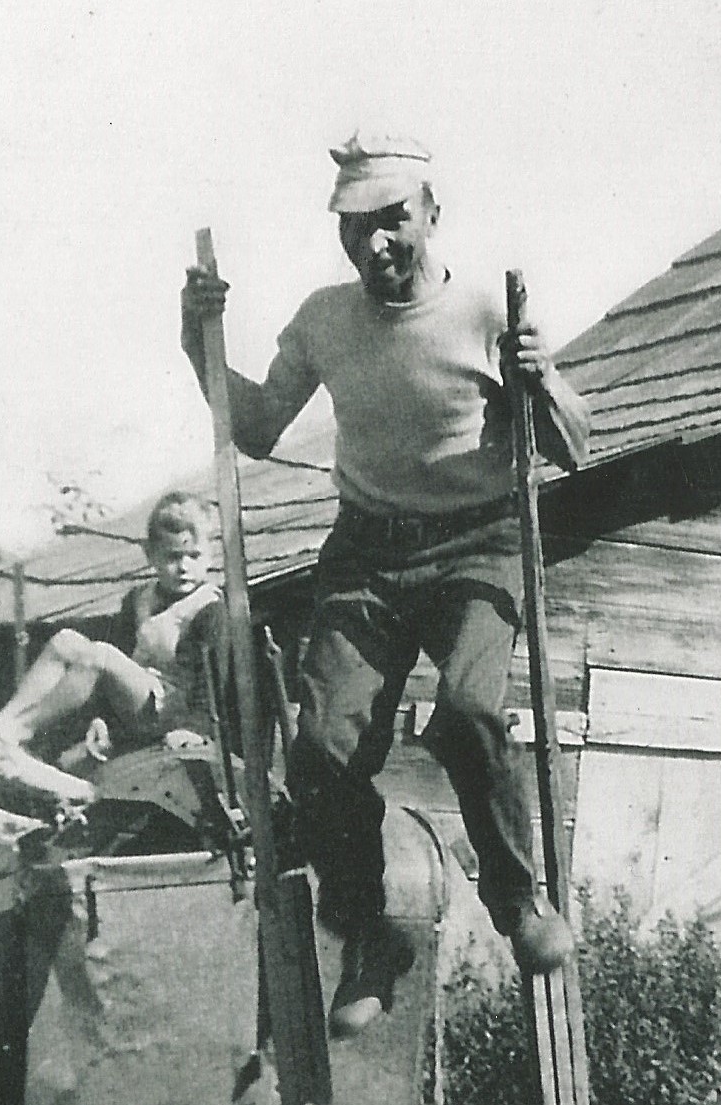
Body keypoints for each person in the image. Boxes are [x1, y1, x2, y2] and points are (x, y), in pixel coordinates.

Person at [179, 133, 589, 1035]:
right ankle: (371, 937)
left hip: (475, 548)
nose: (374, 246)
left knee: (471, 712)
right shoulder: (324, 319)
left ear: (431, 214)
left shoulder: (487, 310)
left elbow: (572, 449)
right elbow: (252, 428)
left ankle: (518, 902)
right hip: (366, 554)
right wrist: (196, 341)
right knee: (320, 752)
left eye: (392, 222)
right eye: (354, 228)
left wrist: (542, 381)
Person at [0, 490, 222, 769]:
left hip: (174, 711)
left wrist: (194, 729)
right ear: (150, 554)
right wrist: (100, 717)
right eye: (173, 556)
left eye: (194, 556)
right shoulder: (138, 599)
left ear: (210, 555)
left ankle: (23, 728)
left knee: (100, 654)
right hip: (137, 703)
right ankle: (5, 720)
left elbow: (214, 680)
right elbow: (118, 666)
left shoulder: (208, 607)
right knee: (66, 640)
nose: (184, 567)